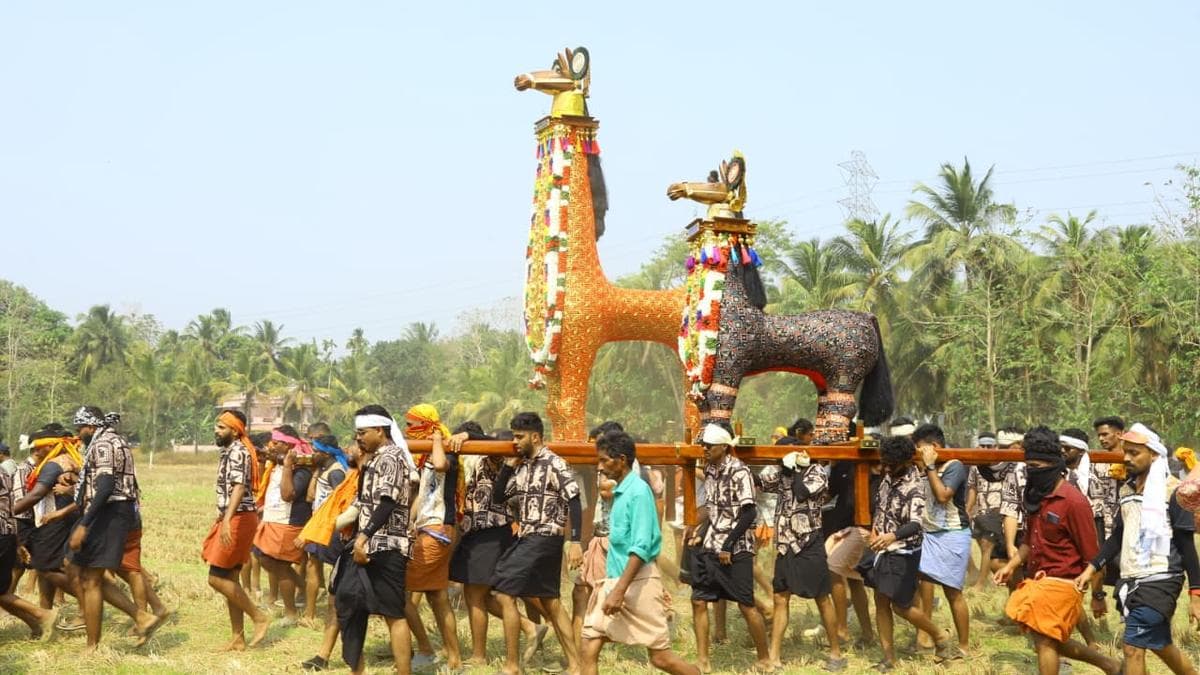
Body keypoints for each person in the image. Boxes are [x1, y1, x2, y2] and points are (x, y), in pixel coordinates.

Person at [992, 426, 1120, 675]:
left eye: (1037, 467)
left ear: (1053, 465)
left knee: (1045, 640)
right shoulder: (1037, 496)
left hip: (1064, 582)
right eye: (1028, 466)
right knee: (1048, 638)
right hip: (1037, 578)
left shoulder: (1074, 502)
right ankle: (1110, 665)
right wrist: (1010, 566)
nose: (1031, 472)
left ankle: (1109, 665)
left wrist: (1096, 594)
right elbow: (1029, 541)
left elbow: (1092, 554)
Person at [1074, 423, 1200, 675]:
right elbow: (1118, 535)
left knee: (1131, 647)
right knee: (1160, 645)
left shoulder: (1175, 491)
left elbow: (1187, 546)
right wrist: (1091, 568)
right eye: (1126, 452)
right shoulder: (1126, 489)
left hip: (1161, 579)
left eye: (1135, 453)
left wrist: (1196, 594)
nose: (1127, 458)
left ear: (1154, 454)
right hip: (1131, 579)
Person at [581, 430, 698, 675]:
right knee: (589, 645)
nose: (599, 466)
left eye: (604, 460)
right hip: (614, 581)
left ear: (621, 460)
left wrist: (620, 591)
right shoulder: (620, 493)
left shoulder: (638, 492)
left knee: (661, 659)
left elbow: (641, 547)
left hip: (637, 584)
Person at [447, 421, 547, 668]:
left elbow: (491, 446)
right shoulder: (486, 463)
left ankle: (481, 655)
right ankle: (529, 626)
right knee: (482, 595)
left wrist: (469, 435)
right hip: (480, 532)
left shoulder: (500, 461)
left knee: (476, 594)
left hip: (490, 532)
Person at [490, 412, 582, 675]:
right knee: (551, 600)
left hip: (544, 537)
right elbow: (498, 497)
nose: (515, 442)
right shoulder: (521, 466)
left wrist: (575, 541)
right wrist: (508, 465)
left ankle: (512, 666)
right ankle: (576, 666)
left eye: (519, 437)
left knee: (503, 592)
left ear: (535, 436)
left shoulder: (555, 463)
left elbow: (573, 500)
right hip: (532, 537)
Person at [68, 406, 162, 652]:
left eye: (80, 428)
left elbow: (107, 485)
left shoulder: (103, 444)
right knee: (79, 570)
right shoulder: (112, 441)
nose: (78, 434)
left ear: (91, 426)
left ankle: (95, 645)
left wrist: (85, 524)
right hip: (111, 511)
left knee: (91, 579)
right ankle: (139, 616)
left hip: (108, 512)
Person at [336, 405, 419, 675]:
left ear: (380, 431)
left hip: (388, 546)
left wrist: (363, 536)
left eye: (363, 433)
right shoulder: (372, 460)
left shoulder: (392, 458)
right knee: (348, 603)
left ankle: (404, 671)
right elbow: (364, 502)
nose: (358, 438)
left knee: (393, 612)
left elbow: (387, 502)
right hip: (365, 542)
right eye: (357, 433)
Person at [862, 435, 956, 671]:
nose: (886, 468)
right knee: (880, 600)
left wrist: (891, 536)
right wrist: (875, 532)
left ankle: (939, 635)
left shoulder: (915, 486)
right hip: (881, 548)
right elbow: (881, 509)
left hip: (903, 551)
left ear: (904, 462)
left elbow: (915, 523)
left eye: (890, 464)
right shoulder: (886, 478)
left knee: (900, 606)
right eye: (884, 463)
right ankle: (888, 658)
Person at [685, 422, 771, 674]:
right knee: (699, 600)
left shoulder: (740, 471)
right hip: (711, 544)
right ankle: (703, 660)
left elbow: (749, 512)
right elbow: (712, 509)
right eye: (703, 445)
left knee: (745, 604)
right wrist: (695, 527)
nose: (705, 449)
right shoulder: (711, 471)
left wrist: (728, 544)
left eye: (709, 446)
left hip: (735, 548)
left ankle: (764, 659)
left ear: (724, 447)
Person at [758, 437, 844, 672]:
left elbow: (802, 492)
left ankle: (836, 651)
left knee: (821, 597)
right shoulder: (781, 472)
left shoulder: (816, 472)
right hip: (786, 544)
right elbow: (762, 482)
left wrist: (795, 468)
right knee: (780, 598)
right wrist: (780, 466)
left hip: (808, 542)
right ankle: (774, 657)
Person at [202, 410, 271, 651]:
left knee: (216, 578)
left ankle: (259, 617)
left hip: (239, 518)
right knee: (230, 578)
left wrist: (228, 520)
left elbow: (240, 487)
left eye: (221, 427)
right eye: (216, 426)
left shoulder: (239, 451)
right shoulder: (230, 451)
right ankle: (238, 638)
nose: (216, 431)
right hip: (234, 517)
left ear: (234, 430)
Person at [402, 404, 463, 672]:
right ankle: (454, 658)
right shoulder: (424, 455)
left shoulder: (444, 448)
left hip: (437, 530)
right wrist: (411, 523)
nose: (408, 430)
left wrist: (437, 438)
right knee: (437, 597)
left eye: (413, 425)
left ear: (427, 426)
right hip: (426, 528)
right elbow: (423, 496)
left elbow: (441, 466)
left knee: (398, 593)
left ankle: (426, 650)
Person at [911, 424, 969, 659]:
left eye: (919, 449)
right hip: (927, 534)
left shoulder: (954, 466)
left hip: (952, 534)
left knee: (953, 593)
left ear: (934, 447)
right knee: (915, 582)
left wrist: (930, 466)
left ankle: (964, 646)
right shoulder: (924, 469)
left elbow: (943, 496)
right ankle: (926, 635)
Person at [251, 425, 314, 623]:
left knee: (280, 566)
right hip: (273, 519)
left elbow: (287, 495)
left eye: (276, 443)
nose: (271, 446)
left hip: (288, 522)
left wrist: (288, 466)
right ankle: (301, 587)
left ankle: (291, 613)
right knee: (265, 559)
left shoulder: (301, 469)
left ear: (288, 445)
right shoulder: (276, 463)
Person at [0, 459, 58, 638]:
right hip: (8, 533)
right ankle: (36, 624)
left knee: (2, 592)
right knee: (2, 591)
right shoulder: (4, 472)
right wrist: (17, 542)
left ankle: (43, 615)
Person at [966, 432, 1009, 590]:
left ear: (996, 447)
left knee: (986, 546)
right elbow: (973, 488)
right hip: (980, 511)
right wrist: (968, 508)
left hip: (997, 510)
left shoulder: (1006, 464)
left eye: (989, 446)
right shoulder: (975, 466)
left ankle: (980, 584)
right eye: (982, 446)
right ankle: (985, 577)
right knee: (981, 545)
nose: (985, 449)